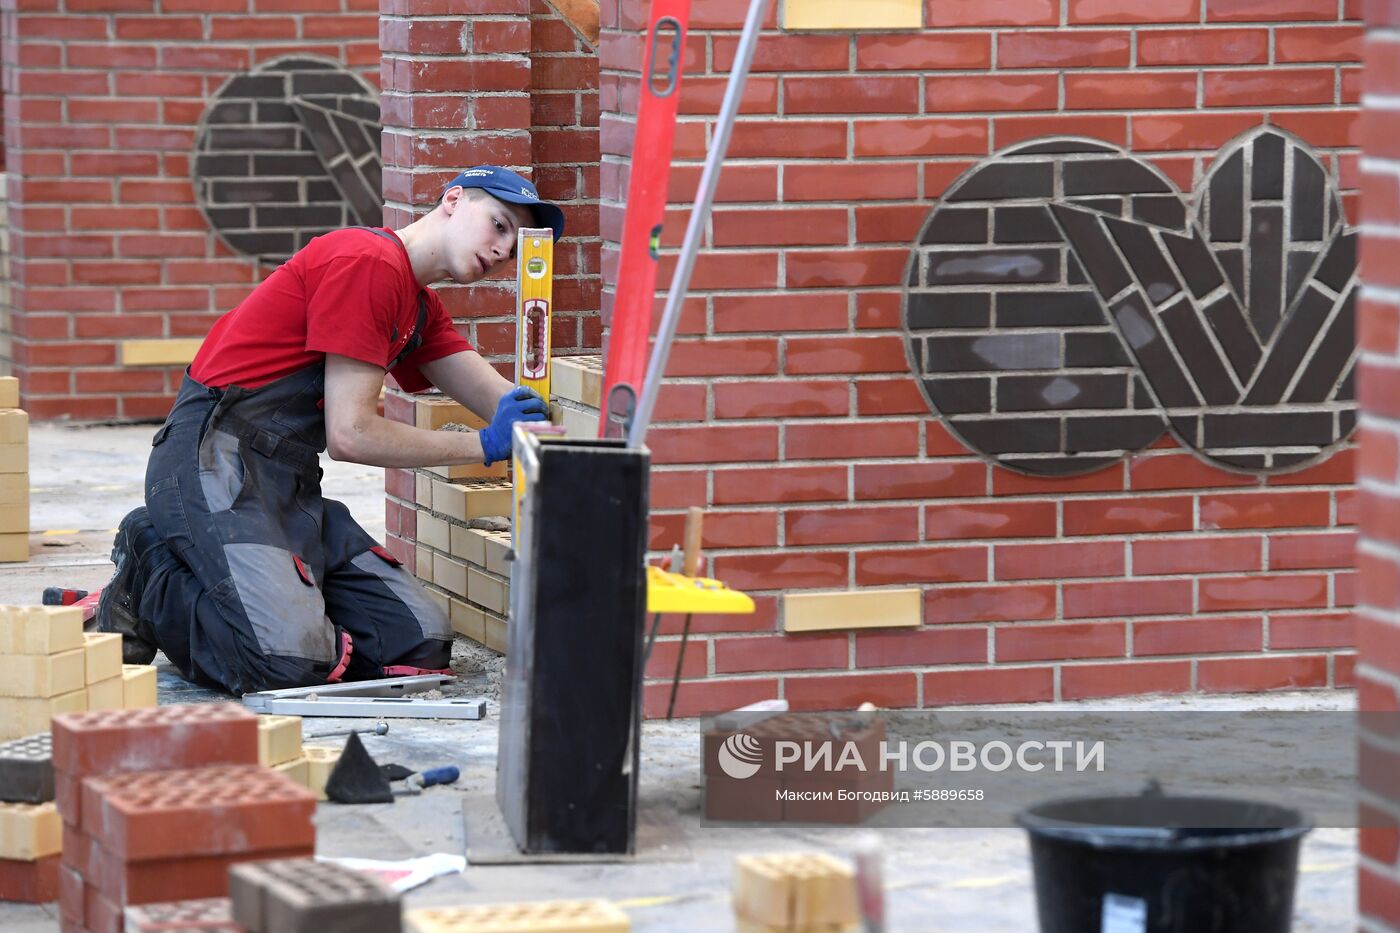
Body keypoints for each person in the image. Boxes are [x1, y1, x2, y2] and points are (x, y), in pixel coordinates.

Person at [93, 166, 564, 695]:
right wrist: (481, 445)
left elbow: (507, 403)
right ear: (453, 199)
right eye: (498, 226)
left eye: (515, 247)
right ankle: (149, 559)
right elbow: (352, 434)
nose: (504, 251)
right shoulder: (367, 263)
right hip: (214, 458)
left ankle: (266, 593)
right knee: (284, 664)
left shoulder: (419, 307)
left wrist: (559, 437)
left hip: (287, 481)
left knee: (414, 645)